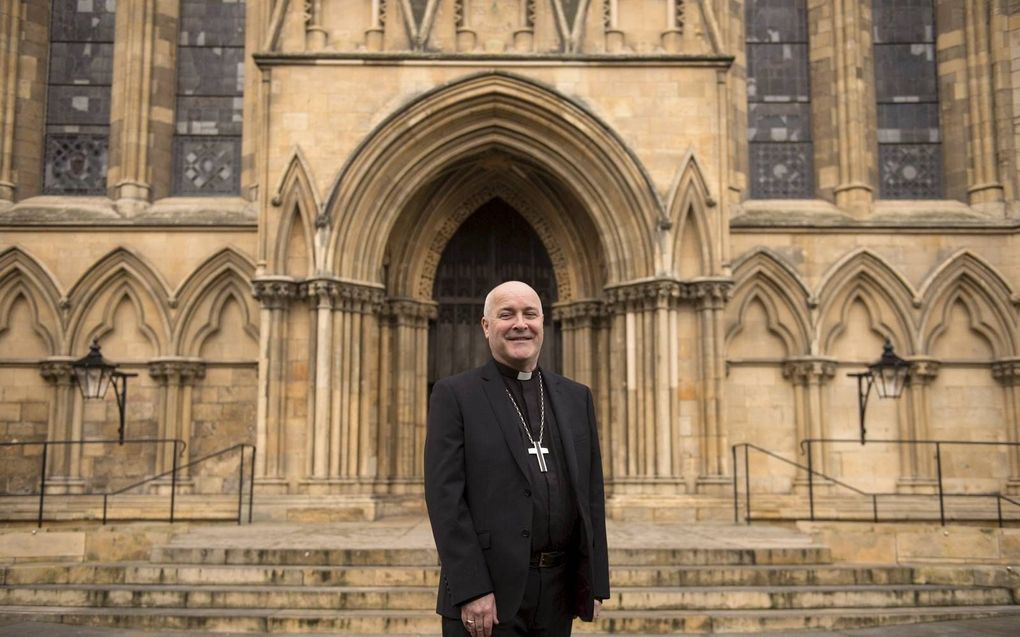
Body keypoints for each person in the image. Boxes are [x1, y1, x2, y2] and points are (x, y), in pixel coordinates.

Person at [424, 280, 610, 637]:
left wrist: (594, 581)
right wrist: (472, 588)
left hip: (557, 593)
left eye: (530, 314)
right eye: (506, 314)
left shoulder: (575, 397)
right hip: (487, 597)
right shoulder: (455, 395)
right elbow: (445, 499)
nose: (520, 324)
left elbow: (591, 496)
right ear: (486, 326)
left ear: (544, 322)